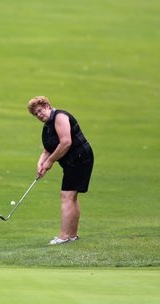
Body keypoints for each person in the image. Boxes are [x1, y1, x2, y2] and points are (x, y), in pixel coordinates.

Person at [28, 96, 94, 245]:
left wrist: (50, 161)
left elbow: (66, 142)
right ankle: (72, 235)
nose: (39, 115)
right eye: (35, 114)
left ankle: (64, 236)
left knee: (67, 196)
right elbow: (47, 149)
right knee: (71, 197)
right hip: (73, 161)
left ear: (47, 106)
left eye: (40, 111)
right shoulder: (47, 127)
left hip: (80, 158)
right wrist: (41, 164)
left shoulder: (60, 117)